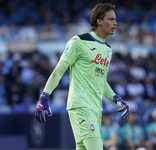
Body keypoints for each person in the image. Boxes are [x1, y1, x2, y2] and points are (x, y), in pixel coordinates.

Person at [33, 2, 129, 150]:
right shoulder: (78, 42)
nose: (115, 23)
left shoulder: (108, 50)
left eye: (115, 19)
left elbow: (101, 81)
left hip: (96, 109)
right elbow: (58, 70)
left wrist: (116, 98)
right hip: (81, 105)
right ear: (99, 21)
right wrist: (44, 96)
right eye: (110, 19)